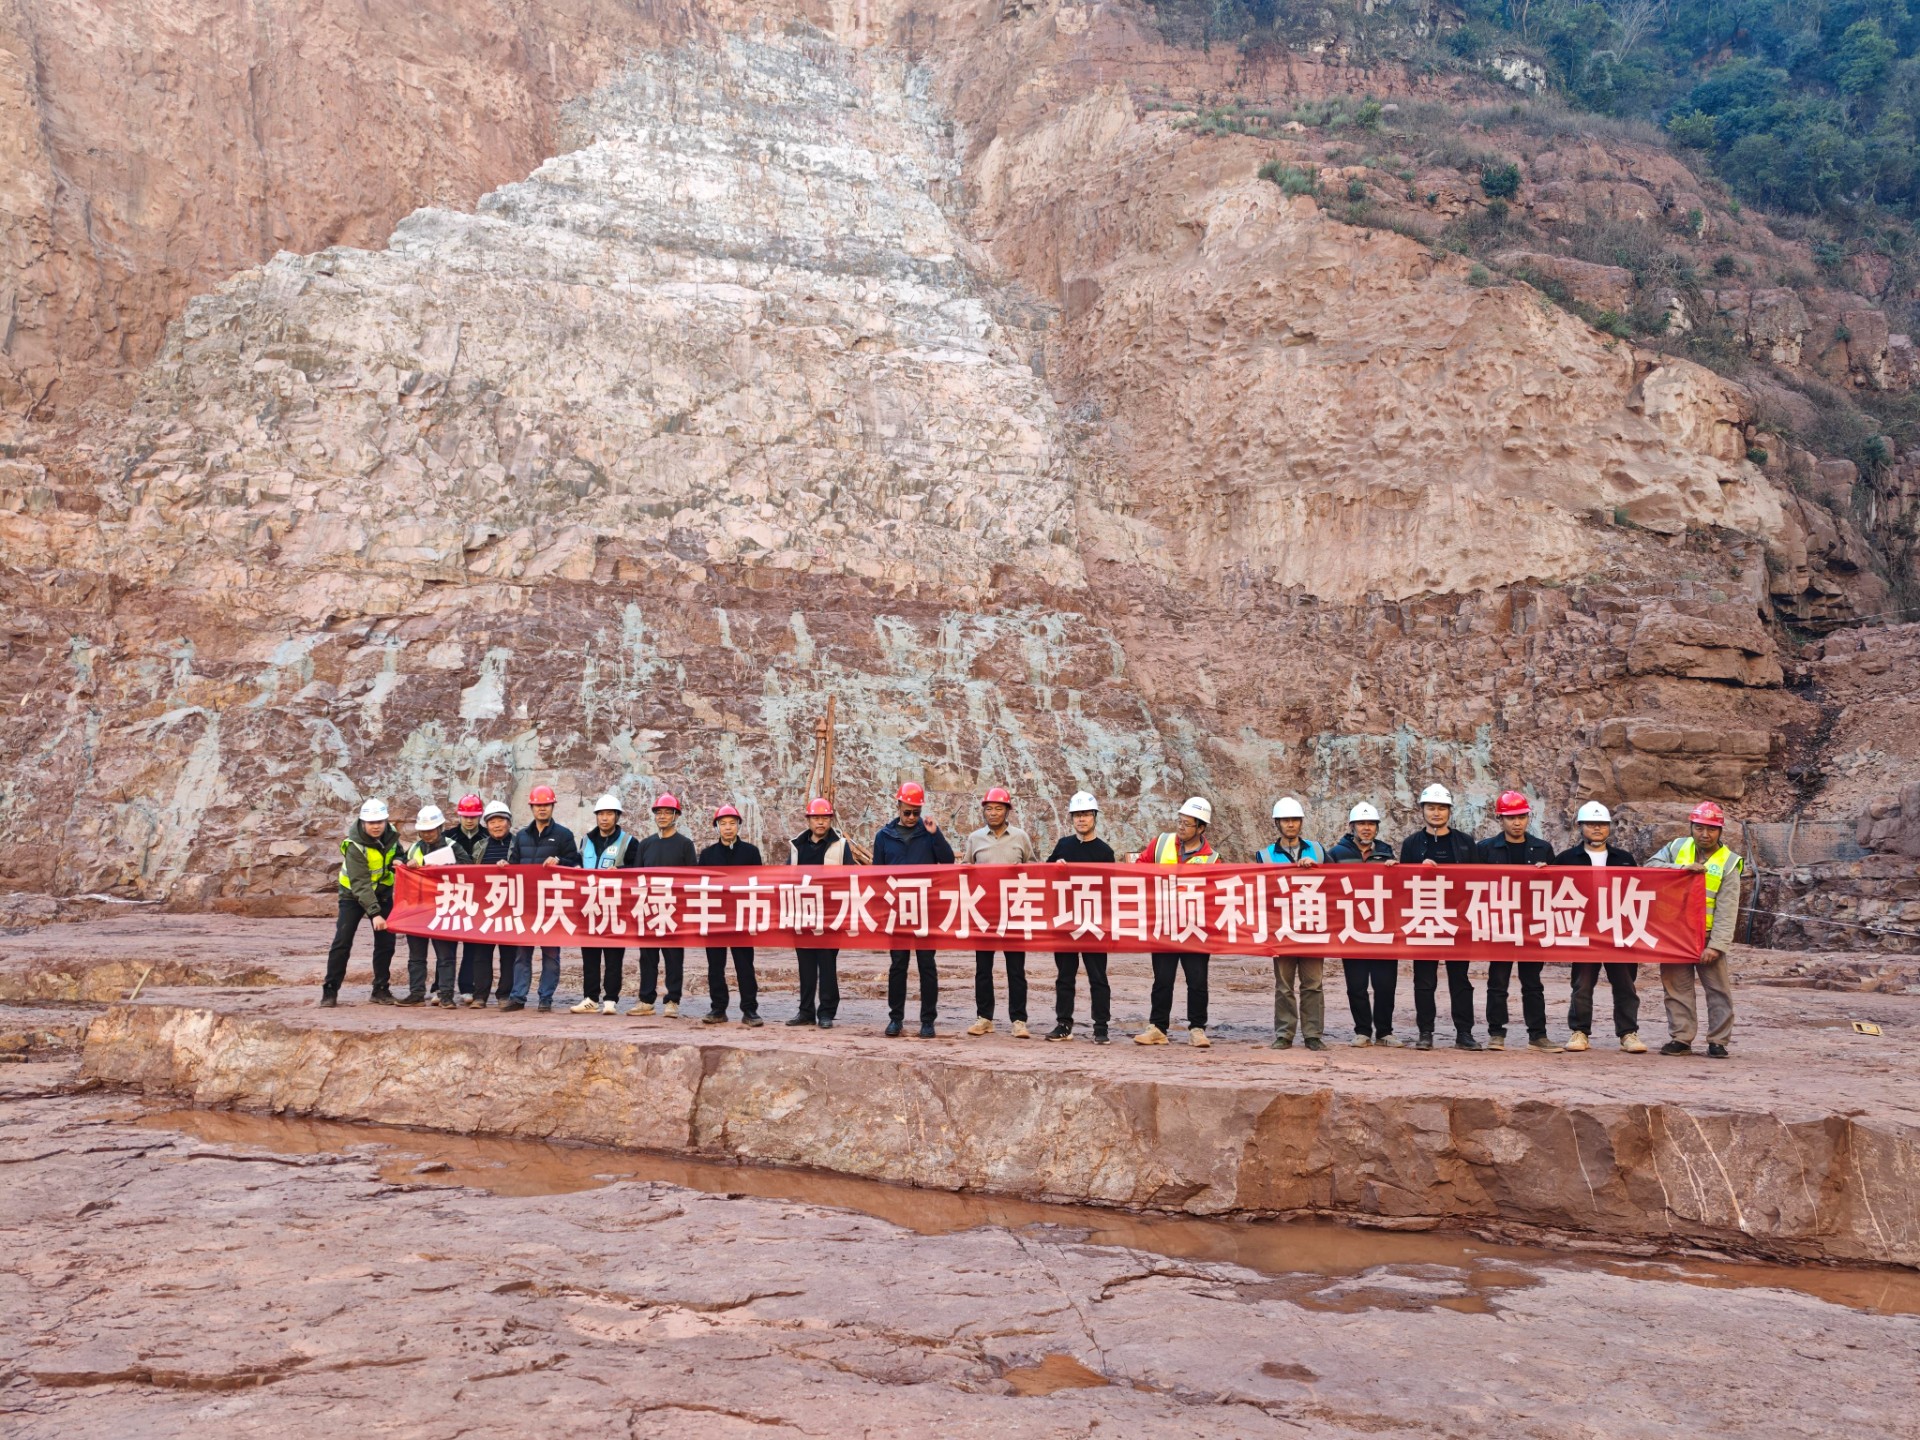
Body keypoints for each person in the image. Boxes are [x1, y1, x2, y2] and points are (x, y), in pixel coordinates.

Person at [1648, 800, 1742, 1059]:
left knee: (1718, 990)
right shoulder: (1677, 848)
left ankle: (1718, 1041)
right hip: (1675, 933)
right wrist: (1679, 868)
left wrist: (1717, 945)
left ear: (1720, 831)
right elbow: (1649, 868)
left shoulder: (1730, 862)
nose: (1705, 834)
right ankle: (1681, 1038)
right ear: (1691, 827)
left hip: (1708, 935)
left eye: (1711, 829)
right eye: (1700, 828)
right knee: (1677, 988)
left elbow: (1728, 908)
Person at [1554, 802, 1647, 1054]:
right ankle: (1580, 1031)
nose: (1597, 828)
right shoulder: (1565, 859)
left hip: (1618, 931)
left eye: (1602, 824)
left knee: (1626, 984)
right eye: (1591, 824)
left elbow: (1639, 892)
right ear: (1580, 827)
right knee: (1582, 984)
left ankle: (1628, 1033)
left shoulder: (1624, 859)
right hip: (1583, 932)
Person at [1474, 790, 1560, 1052]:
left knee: (1532, 983)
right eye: (1511, 818)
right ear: (1500, 819)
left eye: (1521, 817)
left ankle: (1538, 1035)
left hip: (1531, 924)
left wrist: (1547, 875)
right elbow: (1471, 884)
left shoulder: (1542, 849)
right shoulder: (1486, 849)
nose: (1517, 823)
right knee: (1497, 981)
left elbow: (1558, 888)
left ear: (1527, 818)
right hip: (1499, 922)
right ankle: (1496, 1034)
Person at [1400, 783, 1482, 1051]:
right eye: (1431, 808)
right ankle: (1425, 1032)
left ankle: (1464, 1033)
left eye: (1441, 808)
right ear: (1422, 810)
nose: (1436, 813)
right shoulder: (1411, 844)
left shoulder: (1466, 843)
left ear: (1449, 811)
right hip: (1423, 919)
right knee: (1424, 981)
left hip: (1459, 921)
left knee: (1460, 980)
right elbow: (1401, 883)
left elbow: (1479, 881)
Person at [1135, 796, 1220, 1048]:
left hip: (1195, 929)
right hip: (1164, 924)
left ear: (1201, 828)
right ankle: (1158, 1027)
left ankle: (1197, 1028)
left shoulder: (1212, 859)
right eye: (1180, 821)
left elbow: (1216, 895)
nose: (1181, 827)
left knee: (1197, 981)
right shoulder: (1160, 843)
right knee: (1162, 979)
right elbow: (1139, 869)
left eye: (1188, 824)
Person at [872, 782, 954, 1037]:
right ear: (898, 807)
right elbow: (876, 874)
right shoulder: (884, 836)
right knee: (898, 964)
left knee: (927, 965)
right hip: (897, 911)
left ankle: (927, 1020)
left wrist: (935, 834)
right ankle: (896, 1018)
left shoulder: (927, 833)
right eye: (907, 812)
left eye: (915, 813)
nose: (911, 818)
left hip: (924, 910)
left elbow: (948, 860)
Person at [962, 787, 1040, 1039]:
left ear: (1007, 811)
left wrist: (1023, 869)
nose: (993, 813)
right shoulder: (975, 838)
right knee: (983, 968)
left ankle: (1018, 1019)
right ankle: (984, 1018)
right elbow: (965, 869)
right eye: (989, 808)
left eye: (998, 808)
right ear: (983, 811)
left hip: (1014, 911)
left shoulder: (1020, 837)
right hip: (984, 913)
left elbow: (1035, 867)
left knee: (1015, 968)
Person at [1256, 797, 1327, 1051]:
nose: (1291, 825)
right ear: (1277, 823)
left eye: (1295, 820)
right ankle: (1284, 1034)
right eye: (1286, 820)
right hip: (1282, 928)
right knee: (1284, 985)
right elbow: (1261, 891)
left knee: (1313, 984)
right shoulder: (1264, 855)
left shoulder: (1318, 851)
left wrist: (1314, 869)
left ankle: (1313, 1035)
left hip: (1311, 927)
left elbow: (1333, 885)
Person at [1046, 791, 1116, 1044]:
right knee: (1065, 976)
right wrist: (1055, 867)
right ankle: (1064, 1024)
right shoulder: (1063, 846)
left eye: (1086, 814)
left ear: (1095, 816)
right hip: (1066, 921)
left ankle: (1101, 1028)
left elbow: (1111, 890)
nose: (1081, 819)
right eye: (1077, 815)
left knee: (1098, 977)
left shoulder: (1104, 852)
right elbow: (1044, 875)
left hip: (1093, 923)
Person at [504, 784, 580, 1012]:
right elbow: (515, 865)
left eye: (546, 804)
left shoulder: (563, 835)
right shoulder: (521, 837)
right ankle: (518, 997)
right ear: (532, 807)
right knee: (522, 953)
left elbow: (576, 864)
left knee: (551, 954)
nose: (542, 809)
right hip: (526, 904)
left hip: (551, 905)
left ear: (552, 806)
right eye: (538, 805)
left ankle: (545, 998)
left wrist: (560, 862)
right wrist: (504, 867)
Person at [1329, 802, 1400, 1047]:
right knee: (1357, 985)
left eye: (1371, 824)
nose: (1366, 828)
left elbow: (1397, 887)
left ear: (1377, 827)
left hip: (1382, 928)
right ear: (1352, 827)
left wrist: (1395, 869)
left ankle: (1384, 1032)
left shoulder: (1386, 851)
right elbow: (1327, 886)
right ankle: (1362, 1031)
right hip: (1352, 929)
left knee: (1385, 985)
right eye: (1362, 824)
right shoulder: (1337, 853)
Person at [321, 798, 400, 1008]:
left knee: (386, 944)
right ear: (362, 822)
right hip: (353, 896)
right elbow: (360, 884)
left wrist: (400, 861)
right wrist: (375, 914)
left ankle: (380, 989)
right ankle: (330, 990)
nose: (376, 826)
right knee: (342, 941)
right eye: (371, 822)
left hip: (382, 893)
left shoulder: (391, 836)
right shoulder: (355, 845)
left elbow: (396, 855)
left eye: (380, 822)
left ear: (386, 821)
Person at [787, 798, 854, 1029]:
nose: (820, 822)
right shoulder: (797, 846)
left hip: (829, 916)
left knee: (827, 965)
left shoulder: (841, 846)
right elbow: (787, 877)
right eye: (816, 817)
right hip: (803, 914)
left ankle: (826, 1012)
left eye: (824, 818)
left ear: (830, 820)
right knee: (805, 966)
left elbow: (852, 877)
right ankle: (805, 1011)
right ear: (808, 820)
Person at [574, 793, 641, 1016]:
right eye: (601, 814)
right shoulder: (585, 840)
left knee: (614, 956)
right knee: (590, 955)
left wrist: (620, 872)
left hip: (616, 906)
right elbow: (576, 863)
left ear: (617, 816)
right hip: (590, 905)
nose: (604, 818)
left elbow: (638, 870)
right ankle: (591, 998)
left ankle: (611, 999)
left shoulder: (629, 842)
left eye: (609, 814)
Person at [632, 793, 697, 1017]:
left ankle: (672, 1001)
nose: (662, 816)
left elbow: (692, 879)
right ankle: (646, 1000)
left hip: (673, 909)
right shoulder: (646, 844)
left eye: (667, 812)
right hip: (649, 908)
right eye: (659, 812)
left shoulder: (685, 845)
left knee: (673, 956)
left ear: (676, 816)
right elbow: (636, 876)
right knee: (647, 956)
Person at [699, 804, 764, 1026]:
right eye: (723, 823)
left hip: (742, 917)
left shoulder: (751, 852)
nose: (728, 828)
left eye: (732, 823)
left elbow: (759, 884)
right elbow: (701, 886)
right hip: (716, 917)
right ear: (717, 827)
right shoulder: (707, 855)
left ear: (738, 826)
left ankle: (750, 1010)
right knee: (715, 966)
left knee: (745, 966)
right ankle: (718, 1009)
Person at [399, 805, 458, 1007]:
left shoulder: (453, 846)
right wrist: (406, 865)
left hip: (443, 908)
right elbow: (401, 863)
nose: (427, 834)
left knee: (446, 956)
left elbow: (467, 869)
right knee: (416, 955)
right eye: (423, 831)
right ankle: (416, 993)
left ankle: (446, 995)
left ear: (440, 828)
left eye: (431, 830)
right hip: (418, 908)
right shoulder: (415, 848)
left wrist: (447, 868)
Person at [461, 801, 516, 1007]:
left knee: (508, 955)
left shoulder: (517, 844)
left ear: (509, 823)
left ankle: (504, 995)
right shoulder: (480, 846)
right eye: (492, 821)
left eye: (501, 820)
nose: (496, 825)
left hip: (510, 907)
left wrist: (512, 867)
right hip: (484, 909)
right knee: (481, 954)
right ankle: (480, 995)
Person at [446, 794, 488, 1006]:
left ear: (480, 815)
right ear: (459, 815)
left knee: (472, 944)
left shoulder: (488, 836)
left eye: (474, 816)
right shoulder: (448, 837)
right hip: (453, 895)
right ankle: (440, 987)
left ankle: (467, 987)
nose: (469, 820)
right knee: (447, 943)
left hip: (479, 898)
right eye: (465, 816)